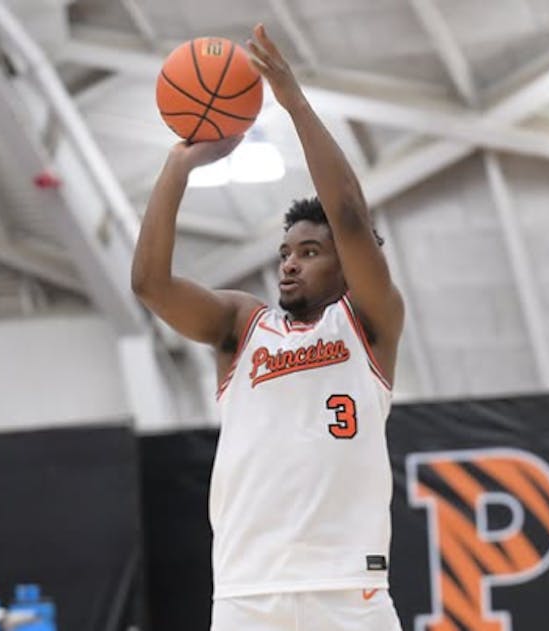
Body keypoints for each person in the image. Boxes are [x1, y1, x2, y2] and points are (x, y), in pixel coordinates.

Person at [131, 22, 405, 631]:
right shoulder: (240, 326)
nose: (289, 262)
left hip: (347, 588)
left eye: (310, 251)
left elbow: (351, 216)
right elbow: (150, 284)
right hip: (248, 590)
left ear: (346, 263)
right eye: (286, 251)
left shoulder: (368, 323)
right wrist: (180, 162)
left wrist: (292, 102)